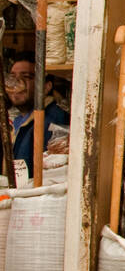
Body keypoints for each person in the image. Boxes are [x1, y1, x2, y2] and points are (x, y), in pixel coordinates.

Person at [5, 51, 70, 181]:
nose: (17, 83)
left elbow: (53, 174)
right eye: (12, 77)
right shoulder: (13, 119)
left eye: (27, 77)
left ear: (46, 87)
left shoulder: (55, 120)